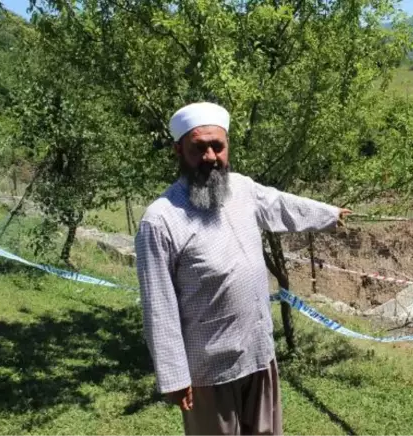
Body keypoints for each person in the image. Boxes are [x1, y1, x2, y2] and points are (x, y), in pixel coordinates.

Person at [135, 101, 351, 436]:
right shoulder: (161, 220)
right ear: (179, 150)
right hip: (209, 370)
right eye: (199, 148)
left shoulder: (242, 188)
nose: (210, 157)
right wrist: (174, 377)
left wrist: (330, 215)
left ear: (227, 147)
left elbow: (281, 204)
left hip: (258, 354)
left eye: (217, 147)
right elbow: (158, 308)